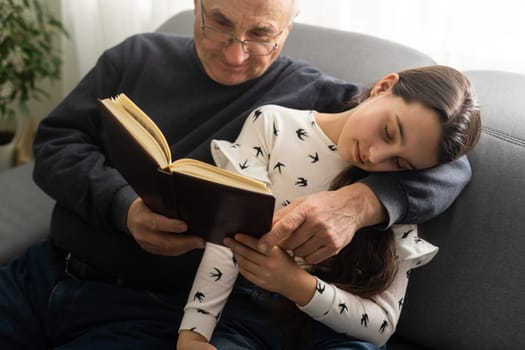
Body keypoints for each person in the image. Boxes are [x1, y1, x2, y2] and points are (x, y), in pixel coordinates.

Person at [0, 0, 474, 348]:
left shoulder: (322, 102)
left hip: (144, 311)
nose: (235, 53)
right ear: (196, 7)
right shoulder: (136, 55)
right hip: (45, 271)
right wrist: (124, 209)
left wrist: (359, 203)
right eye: (220, 24)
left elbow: (453, 164)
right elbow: (56, 141)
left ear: (289, 28)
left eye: (261, 34)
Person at [176, 65, 481, 349]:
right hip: (246, 320)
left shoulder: (400, 195)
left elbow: (382, 324)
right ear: (384, 87)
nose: (376, 157)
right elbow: (228, 238)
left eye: (399, 162)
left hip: (336, 336)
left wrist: (295, 283)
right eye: (388, 131)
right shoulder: (273, 125)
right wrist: (194, 333)